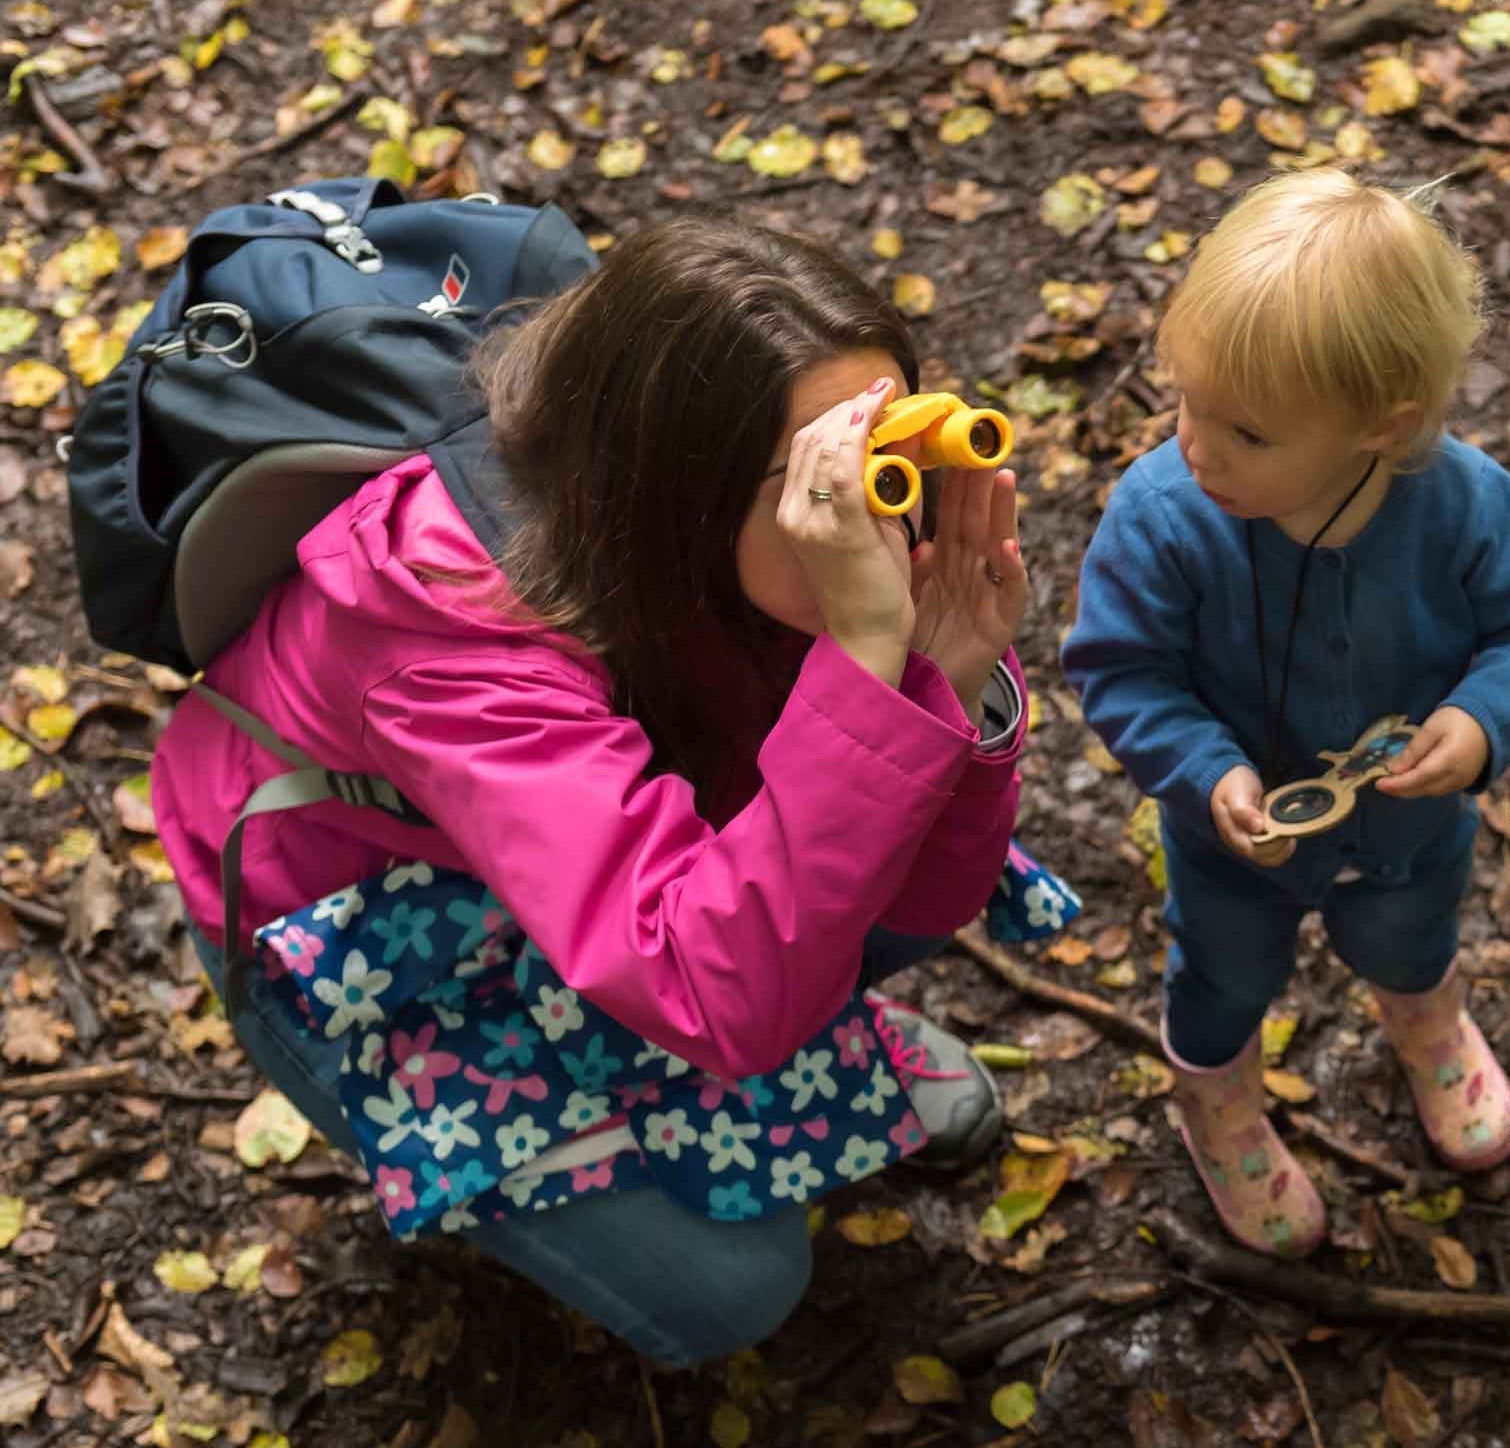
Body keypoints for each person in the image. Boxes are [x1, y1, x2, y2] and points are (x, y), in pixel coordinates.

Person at [150, 218, 1031, 1366]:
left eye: (884, 453)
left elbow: (922, 898)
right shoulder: (455, 636)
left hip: (594, 864)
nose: (878, 517)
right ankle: (511, 1178)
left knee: (861, 849)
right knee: (735, 1288)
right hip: (362, 935)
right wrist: (872, 670)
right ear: (678, 492)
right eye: (816, 480)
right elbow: (713, 997)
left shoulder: (708, 558)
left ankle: (828, 1044)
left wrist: (943, 687)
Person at [1062, 169, 1510, 1258]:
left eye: (1245, 433)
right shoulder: (1167, 516)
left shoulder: (1460, 507)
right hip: (1234, 849)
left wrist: (1484, 718)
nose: (1197, 447)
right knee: (1223, 973)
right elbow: (1121, 668)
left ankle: (1428, 1028)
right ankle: (1221, 1108)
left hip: (1408, 834)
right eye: (1187, 404)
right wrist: (1207, 771)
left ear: (1378, 427)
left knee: (1408, 938)